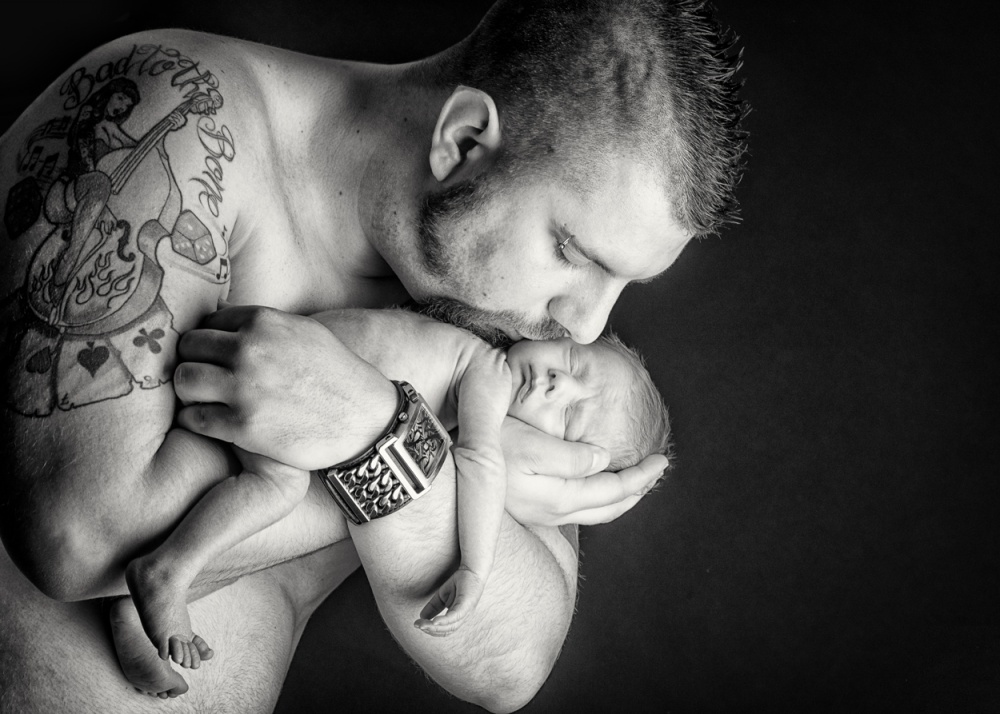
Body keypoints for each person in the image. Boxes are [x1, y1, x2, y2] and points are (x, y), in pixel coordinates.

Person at [0, 1, 746, 711]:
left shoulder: (492, 321)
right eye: (574, 253)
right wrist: (397, 450)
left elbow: (512, 664)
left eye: (623, 284)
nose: (584, 328)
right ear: (463, 142)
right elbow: (75, 538)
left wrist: (381, 435)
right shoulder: (180, 122)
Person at [114, 306, 672, 696]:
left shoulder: (468, 353)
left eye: (569, 416)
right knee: (277, 489)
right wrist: (475, 569)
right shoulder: (487, 370)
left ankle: (144, 603)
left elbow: (514, 674)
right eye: (574, 362)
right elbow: (480, 463)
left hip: (265, 370)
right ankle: (165, 572)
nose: (556, 383)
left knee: (271, 501)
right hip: (274, 388)